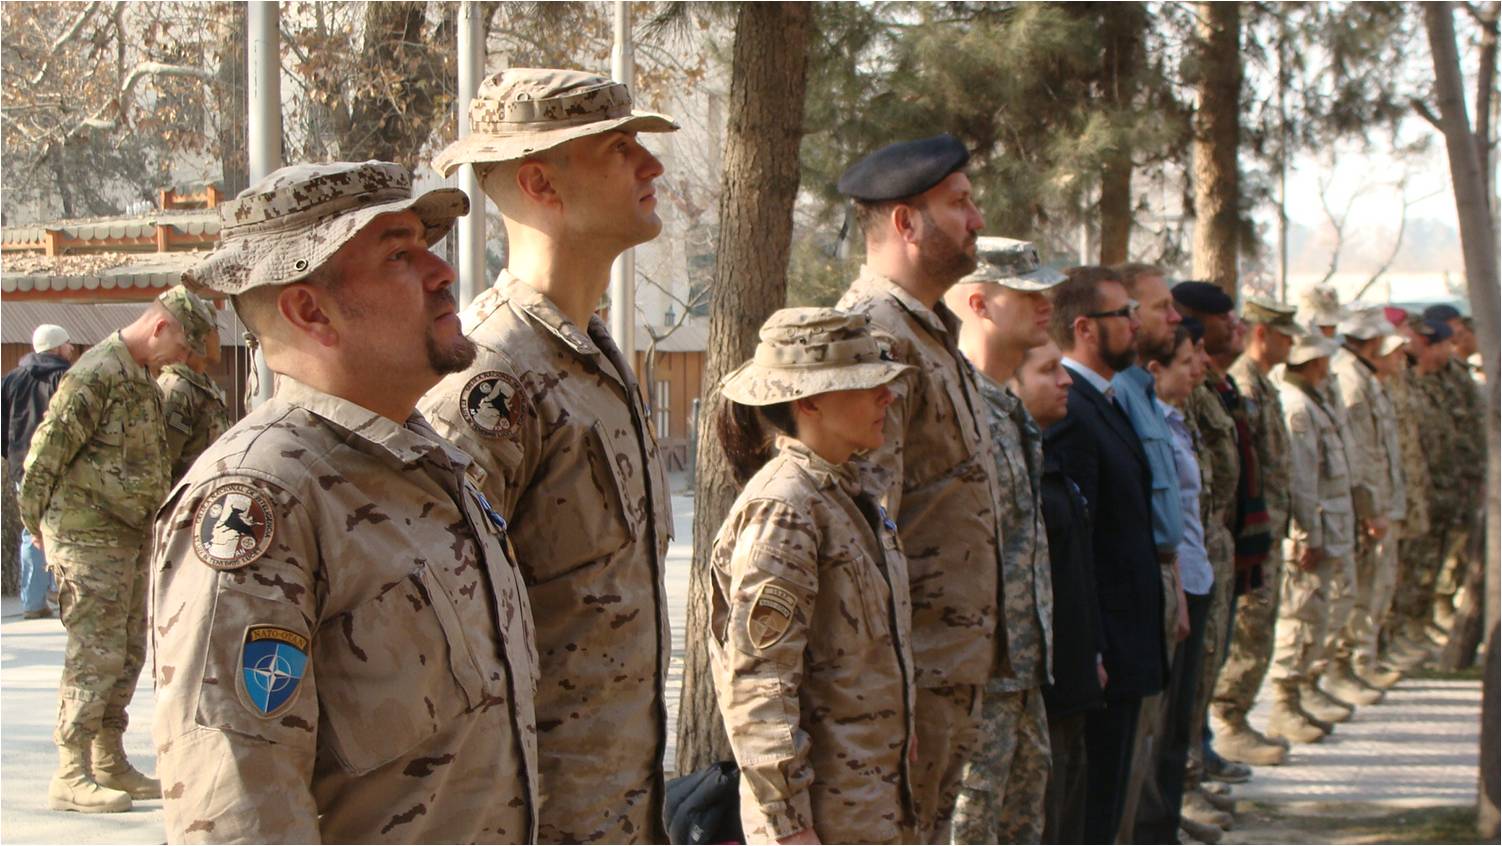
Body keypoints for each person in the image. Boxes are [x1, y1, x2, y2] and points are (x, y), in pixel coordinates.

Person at [151, 161, 539, 842]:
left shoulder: (432, 464)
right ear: (310, 309)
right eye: (399, 253)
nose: (442, 271)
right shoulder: (261, 499)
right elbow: (238, 800)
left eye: (427, 243)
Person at [418, 68, 677, 843]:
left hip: (620, 808)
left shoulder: (591, 354)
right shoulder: (491, 377)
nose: (651, 166)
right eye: (620, 149)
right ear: (541, 181)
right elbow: (446, 653)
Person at [833, 133, 1002, 843]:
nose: (977, 219)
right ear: (906, 223)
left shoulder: (926, 330)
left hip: (942, 665)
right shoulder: (875, 338)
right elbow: (864, 531)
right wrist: (880, 694)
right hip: (905, 676)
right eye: (959, 203)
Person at [708, 308, 918, 845]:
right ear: (809, 401)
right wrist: (789, 825)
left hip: (872, 807)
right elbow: (760, 682)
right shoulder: (787, 508)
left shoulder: (848, 493)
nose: (886, 397)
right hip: (823, 821)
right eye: (864, 384)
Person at [18, 294, 198, 812]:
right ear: (160, 326)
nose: (180, 359)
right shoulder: (96, 372)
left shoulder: (139, 374)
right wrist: (38, 527)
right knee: (94, 654)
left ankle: (108, 759)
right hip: (86, 537)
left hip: (127, 535)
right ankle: (70, 772)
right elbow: (45, 453)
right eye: (180, 345)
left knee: (126, 652)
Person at [945, 238, 1063, 844]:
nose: (1046, 305)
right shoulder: (953, 410)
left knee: (1021, 824)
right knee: (971, 828)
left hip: (1021, 669)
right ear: (978, 303)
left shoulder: (1004, 407)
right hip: (976, 681)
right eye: (1027, 294)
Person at [1044, 267, 1167, 842]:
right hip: (1107, 646)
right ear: (1086, 328)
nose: (1137, 324)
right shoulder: (1072, 412)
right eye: (1126, 314)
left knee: (1112, 791)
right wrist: (1093, 644)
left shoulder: (1107, 400)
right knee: (1091, 805)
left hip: (1125, 637)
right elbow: (1080, 544)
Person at [1012, 340, 1102, 845]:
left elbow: (1075, 569)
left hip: (1069, 673)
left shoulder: (1045, 455)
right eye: (1048, 371)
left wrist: (1093, 650)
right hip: (1039, 684)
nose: (1066, 379)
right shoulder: (1015, 465)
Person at [1212, 298, 1301, 765]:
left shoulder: (1262, 382)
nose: (1293, 343)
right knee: (1248, 628)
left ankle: (1235, 718)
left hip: (1266, 528)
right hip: (1249, 532)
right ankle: (1228, 720)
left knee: (1258, 627)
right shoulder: (1245, 380)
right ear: (1262, 333)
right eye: (1285, 334)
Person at [1265, 332, 1355, 744]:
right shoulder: (1298, 406)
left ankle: (1300, 694)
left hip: (1327, 526)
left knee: (1319, 613)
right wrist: (1306, 534)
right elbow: (1300, 478)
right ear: (1314, 363)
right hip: (1311, 531)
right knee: (1300, 616)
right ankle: (1283, 705)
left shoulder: (1314, 400)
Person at [1327, 309, 1409, 701]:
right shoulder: (1351, 381)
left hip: (1380, 500)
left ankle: (1363, 661)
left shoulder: (1365, 378)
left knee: (1375, 586)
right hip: (1365, 505)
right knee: (1357, 590)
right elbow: (1359, 455)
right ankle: (1349, 665)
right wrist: (1370, 507)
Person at [2, 323, 79, 619]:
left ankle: (33, 603)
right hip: (63, 466)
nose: (72, 349)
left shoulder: (11, 379)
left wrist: (12, 457)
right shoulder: (67, 378)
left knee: (31, 530)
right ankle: (65, 597)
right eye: (68, 344)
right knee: (66, 529)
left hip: (23, 468)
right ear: (57, 347)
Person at [1419, 304, 1485, 639]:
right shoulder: (1423, 377)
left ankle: (1435, 610)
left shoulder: (1455, 372)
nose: (1458, 333)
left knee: (1453, 547)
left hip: (1460, 474)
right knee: (1430, 555)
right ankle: (1428, 612)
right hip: (1438, 481)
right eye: (1453, 327)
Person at [156, 286, 230, 483]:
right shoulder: (176, 389)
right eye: (216, 331)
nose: (219, 340)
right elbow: (163, 465)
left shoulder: (202, 384)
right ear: (202, 335)